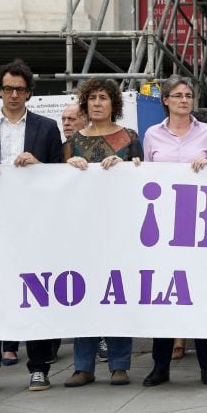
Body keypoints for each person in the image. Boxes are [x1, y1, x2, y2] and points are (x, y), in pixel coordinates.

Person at [0, 59, 62, 394]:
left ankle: (39, 367)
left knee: (34, 294)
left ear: (29, 93)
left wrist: (38, 166)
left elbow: (59, 176)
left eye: (20, 89)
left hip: (32, 227)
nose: (13, 94)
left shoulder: (46, 128)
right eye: (8, 88)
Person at [140, 75, 207, 386]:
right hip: (162, 229)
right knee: (164, 297)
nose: (184, 100)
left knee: (201, 295)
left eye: (188, 95)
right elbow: (145, 177)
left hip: (201, 227)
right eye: (177, 95)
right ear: (166, 100)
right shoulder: (151, 135)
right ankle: (160, 366)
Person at [63, 78, 142, 387]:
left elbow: (143, 177)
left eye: (103, 98)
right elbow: (57, 184)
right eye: (92, 98)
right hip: (82, 232)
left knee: (117, 295)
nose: (97, 103)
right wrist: (68, 164)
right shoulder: (73, 141)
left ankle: (120, 364)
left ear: (114, 104)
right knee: (83, 296)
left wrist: (125, 164)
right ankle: (83, 366)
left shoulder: (130, 137)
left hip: (119, 230)